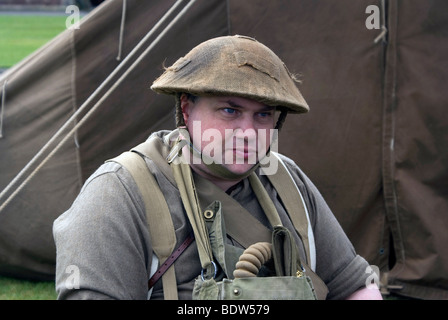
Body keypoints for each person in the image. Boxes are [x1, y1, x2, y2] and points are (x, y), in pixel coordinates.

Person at [53, 35, 383, 300]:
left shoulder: (286, 180)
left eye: (263, 115)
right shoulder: (119, 192)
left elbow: (354, 285)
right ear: (187, 108)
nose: (248, 132)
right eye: (229, 110)